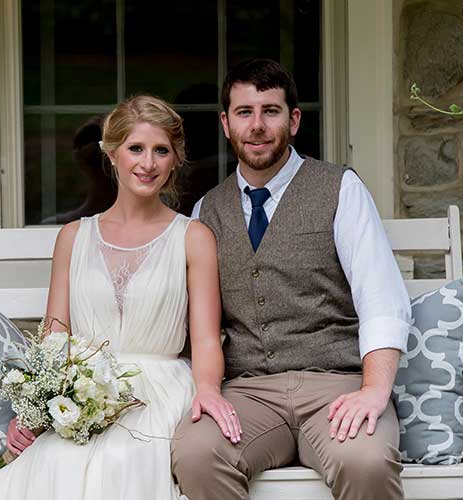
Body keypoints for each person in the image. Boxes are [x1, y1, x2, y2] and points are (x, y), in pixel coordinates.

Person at [0, 95, 239, 500]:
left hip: (159, 393)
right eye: (136, 149)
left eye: (161, 150)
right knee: (58, 461)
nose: (148, 163)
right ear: (111, 154)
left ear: (175, 159)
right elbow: (55, 338)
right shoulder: (74, 238)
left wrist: (209, 391)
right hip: (82, 390)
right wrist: (34, 412)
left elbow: (204, 338)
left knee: (126, 460)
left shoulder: (192, 238)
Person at [170, 59, 411, 500]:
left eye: (271, 110)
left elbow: (382, 299)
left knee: (366, 463)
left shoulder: (340, 189)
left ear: (294, 119)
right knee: (196, 455)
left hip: (336, 387)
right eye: (244, 112)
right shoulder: (206, 211)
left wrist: (374, 392)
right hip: (248, 393)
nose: (257, 125)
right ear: (226, 123)